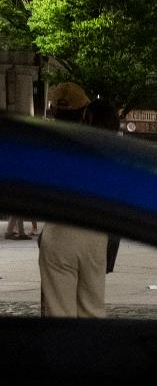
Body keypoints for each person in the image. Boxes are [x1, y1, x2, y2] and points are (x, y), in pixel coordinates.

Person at [39, 84, 110, 318]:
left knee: (59, 314)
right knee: (92, 311)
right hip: (93, 232)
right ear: (83, 111)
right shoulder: (95, 145)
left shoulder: (46, 144)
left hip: (58, 232)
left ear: (53, 111)